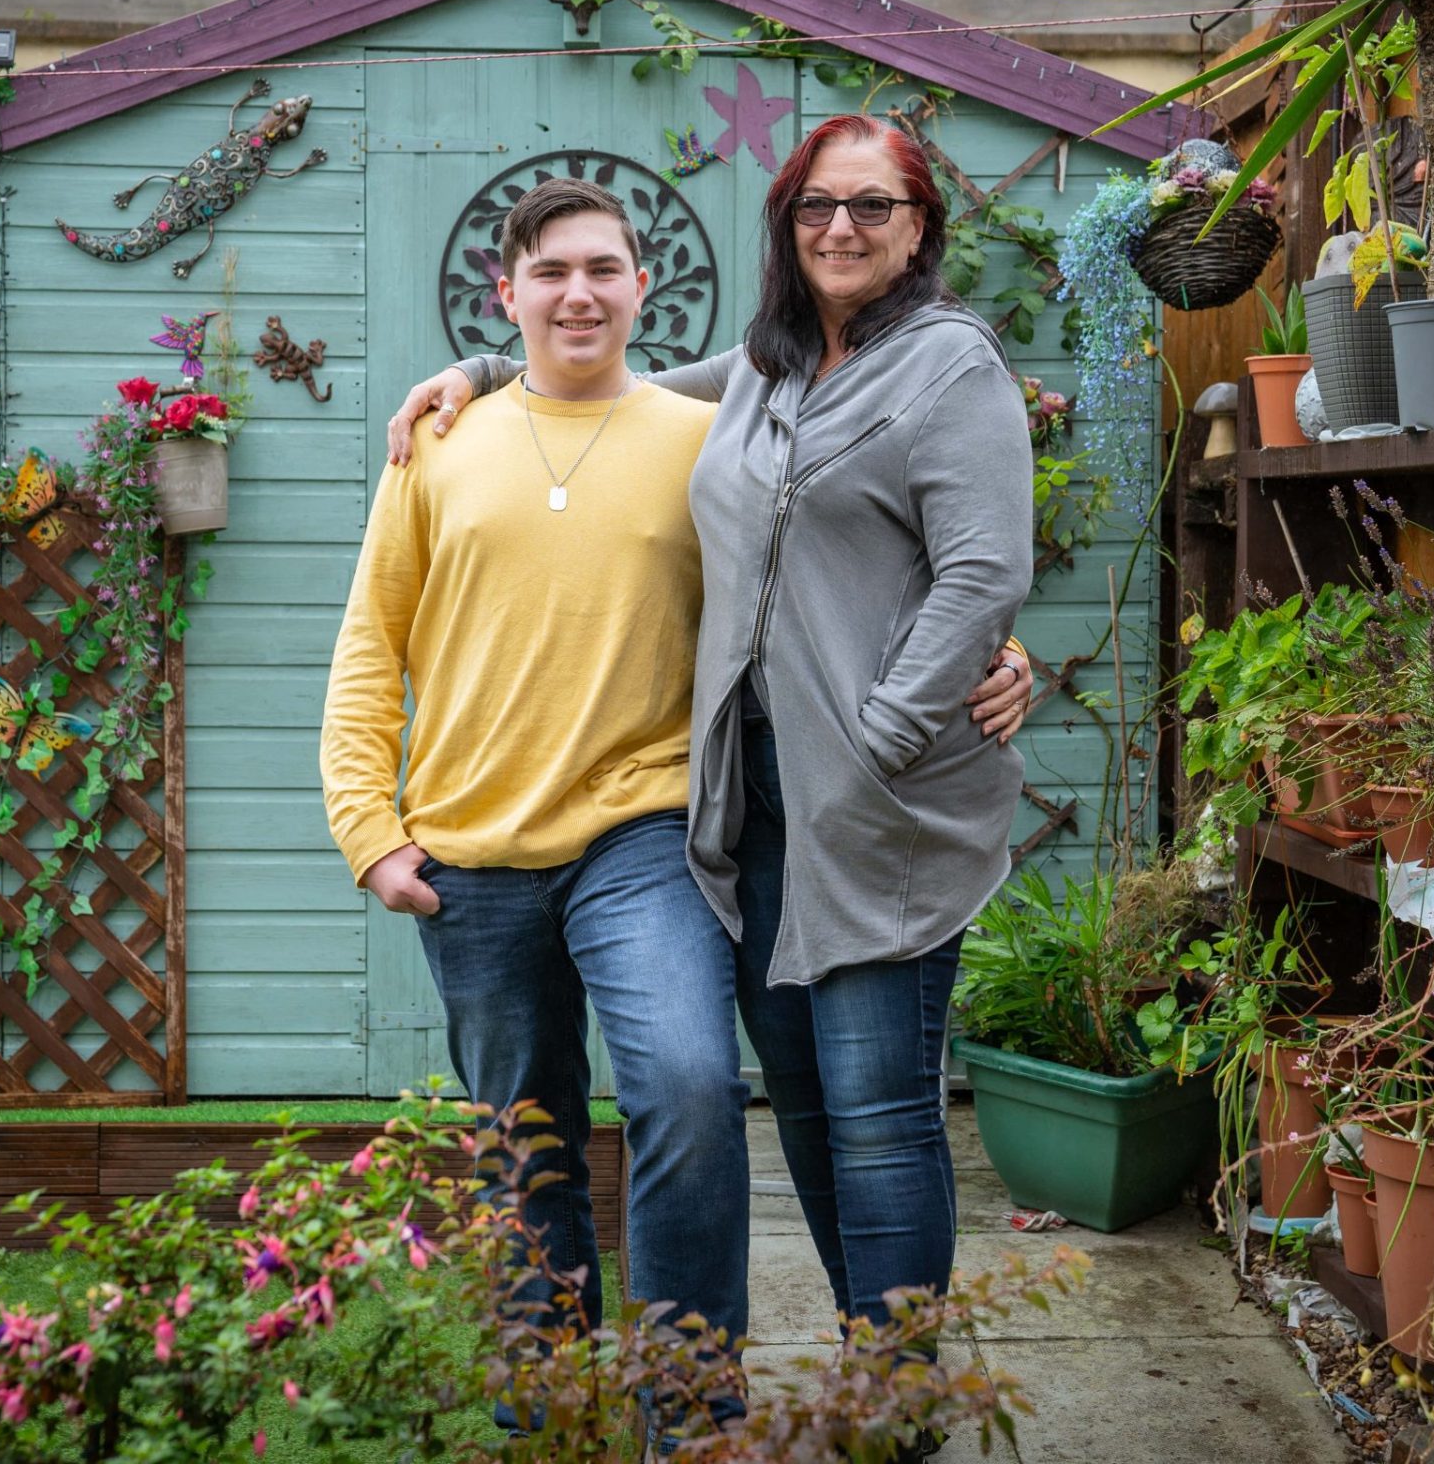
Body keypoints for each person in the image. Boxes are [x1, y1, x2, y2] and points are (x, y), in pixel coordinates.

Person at [391, 113, 1036, 1442]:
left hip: (873, 804)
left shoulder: (947, 364)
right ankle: (873, 1382)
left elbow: (981, 572)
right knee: (801, 1104)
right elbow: (608, 385)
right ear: (785, 227)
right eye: (814, 208)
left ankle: (899, 1410)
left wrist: (888, 725)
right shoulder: (768, 367)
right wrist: (467, 367)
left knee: (878, 1118)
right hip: (751, 814)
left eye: (872, 207)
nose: (841, 231)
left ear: (919, 226)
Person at [320, 178, 750, 1443]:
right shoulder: (438, 443)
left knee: (685, 1085)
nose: (579, 292)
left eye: (605, 269)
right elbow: (369, 643)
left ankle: (688, 1410)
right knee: (527, 1140)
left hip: (644, 828)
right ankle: (550, 1408)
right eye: (552, 271)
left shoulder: (696, 438)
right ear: (503, 293)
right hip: (469, 851)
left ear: (641, 288)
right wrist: (370, 830)